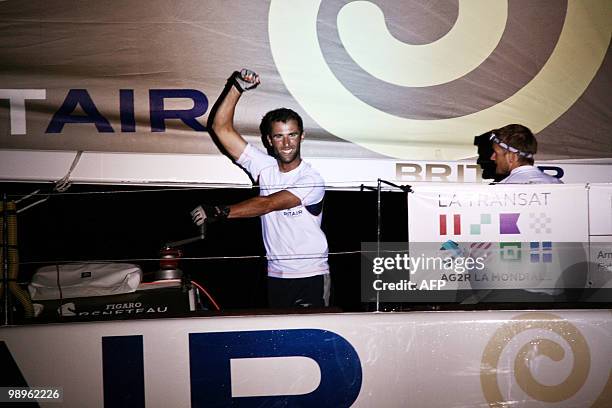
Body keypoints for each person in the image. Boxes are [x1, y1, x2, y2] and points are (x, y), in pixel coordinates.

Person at [191, 69, 330, 308]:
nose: (286, 143)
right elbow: (221, 128)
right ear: (268, 140)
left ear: (302, 137)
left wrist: (220, 211)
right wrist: (236, 86)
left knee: (311, 343)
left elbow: (269, 204)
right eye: (279, 137)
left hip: (312, 275)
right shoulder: (264, 167)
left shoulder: (312, 179)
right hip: (276, 275)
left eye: (292, 135)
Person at [489, 124, 562, 184]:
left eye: (496, 153)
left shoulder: (502, 190)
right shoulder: (558, 184)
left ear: (512, 157)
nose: (492, 157)